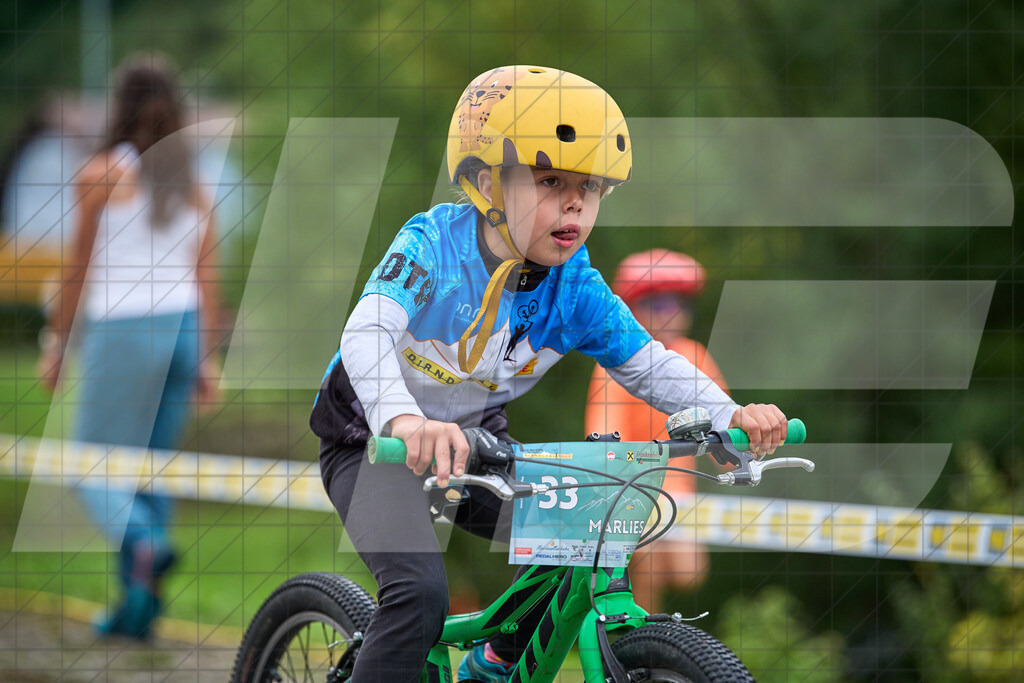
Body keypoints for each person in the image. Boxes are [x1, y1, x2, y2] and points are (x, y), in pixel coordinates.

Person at [310, 65, 788, 683]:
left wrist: (730, 414)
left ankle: (497, 660)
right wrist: (403, 419)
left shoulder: (574, 286)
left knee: (579, 534)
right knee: (419, 596)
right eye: (550, 180)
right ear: (488, 182)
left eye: (590, 186)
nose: (574, 202)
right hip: (371, 442)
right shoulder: (432, 244)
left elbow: (649, 363)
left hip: (475, 444)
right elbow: (365, 333)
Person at [36, 54, 223, 639]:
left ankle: (144, 541)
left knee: (86, 465)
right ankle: (138, 610)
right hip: (183, 331)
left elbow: (77, 270)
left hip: (124, 328)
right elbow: (206, 280)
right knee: (149, 474)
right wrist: (208, 358)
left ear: (119, 107)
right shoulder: (193, 185)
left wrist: (57, 344)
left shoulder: (100, 176)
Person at [585, 249, 727, 611]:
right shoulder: (615, 363)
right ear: (634, 309)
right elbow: (605, 433)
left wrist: (733, 452)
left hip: (680, 488)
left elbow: (723, 423)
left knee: (689, 573)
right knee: (647, 559)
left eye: (679, 303)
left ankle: (640, 621)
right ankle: (638, 632)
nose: (672, 313)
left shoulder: (695, 355)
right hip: (635, 484)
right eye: (659, 304)